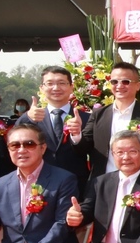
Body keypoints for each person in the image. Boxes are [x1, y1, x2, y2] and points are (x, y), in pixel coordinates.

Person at [76, 61, 140, 181]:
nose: (119, 86)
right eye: (114, 82)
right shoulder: (98, 115)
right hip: (102, 182)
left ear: (138, 86)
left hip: (137, 184)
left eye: (125, 82)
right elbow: (83, 148)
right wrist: (76, 134)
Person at [19, 66, 90, 196]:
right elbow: (14, 140)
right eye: (50, 83)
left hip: (76, 185)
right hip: (39, 185)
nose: (56, 88)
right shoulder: (33, 117)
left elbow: (92, 151)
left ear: (71, 87)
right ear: (41, 88)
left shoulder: (86, 118)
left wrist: (77, 136)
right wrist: (27, 117)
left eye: (62, 83)